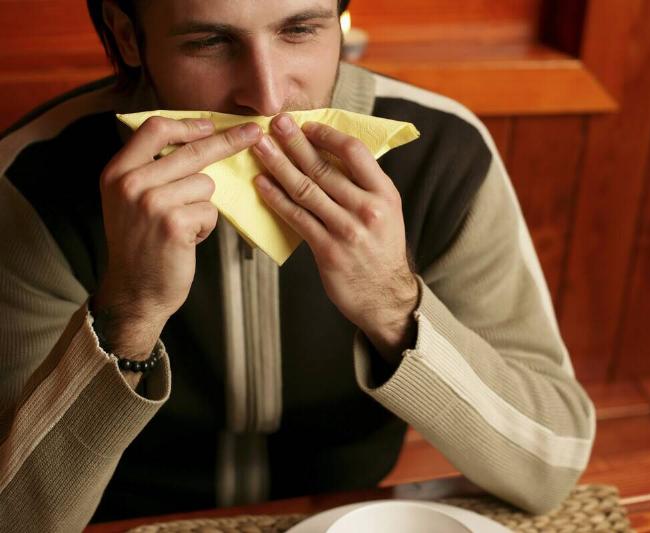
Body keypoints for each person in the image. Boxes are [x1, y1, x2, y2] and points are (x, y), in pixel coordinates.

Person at [0, 0, 595, 529]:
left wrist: (393, 304)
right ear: (127, 37)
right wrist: (129, 309)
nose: (267, 95)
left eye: (301, 30)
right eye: (208, 42)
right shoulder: (33, 177)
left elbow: (552, 467)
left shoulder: (444, 153)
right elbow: (16, 517)